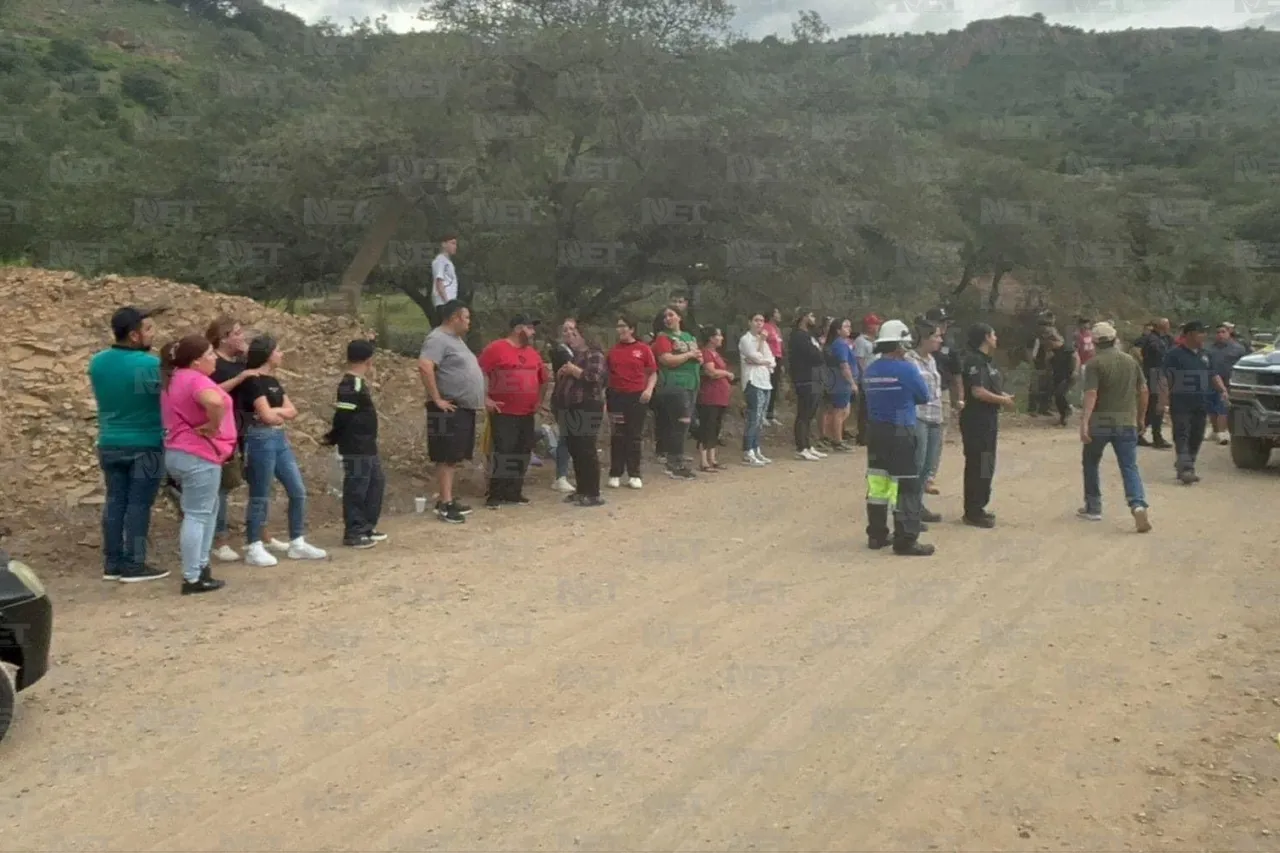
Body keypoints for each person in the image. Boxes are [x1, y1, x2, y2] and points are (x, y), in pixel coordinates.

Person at [87, 306, 168, 583]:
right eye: (148, 329)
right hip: (145, 442)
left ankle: (112, 563)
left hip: (109, 441)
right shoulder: (151, 365)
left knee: (115, 502)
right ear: (134, 336)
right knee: (139, 505)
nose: (153, 334)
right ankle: (135, 564)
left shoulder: (97, 362)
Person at [239, 336, 328, 565]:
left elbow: (292, 410)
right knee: (260, 493)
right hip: (260, 438)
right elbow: (265, 416)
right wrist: (275, 413)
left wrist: (274, 410)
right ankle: (253, 545)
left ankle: (297, 541)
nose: (282, 354)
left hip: (279, 437)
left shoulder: (274, 381)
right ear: (268, 354)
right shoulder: (253, 380)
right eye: (278, 350)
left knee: (297, 490)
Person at [159, 335, 235, 594]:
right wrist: (214, 426)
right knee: (197, 514)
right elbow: (213, 402)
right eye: (210, 354)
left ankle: (201, 568)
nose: (214, 358)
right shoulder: (196, 379)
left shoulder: (175, 378)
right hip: (198, 454)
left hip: (178, 451)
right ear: (195, 361)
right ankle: (193, 575)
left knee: (205, 510)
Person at [862, 320, 934, 557]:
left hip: (876, 432)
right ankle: (905, 539)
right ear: (899, 343)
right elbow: (923, 396)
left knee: (878, 484)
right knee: (907, 486)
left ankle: (877, 534)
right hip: (901, 431)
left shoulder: (871, 369)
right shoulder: (907, 369)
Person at [1077, 322, 1151, 533]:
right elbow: (1143, 391)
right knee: (1129, 466)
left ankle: (1094, 507)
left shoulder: (1094, 364)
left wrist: (1084, 423)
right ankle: (1137, 504)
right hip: (1126, 421)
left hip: (1100, 422)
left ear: (1095, 342)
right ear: (1115, 338)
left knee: (1091, 462)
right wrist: (1141, 417)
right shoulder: (1130, 361)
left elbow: (1091, 394)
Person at [418, 300, 487, 524]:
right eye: (466, 317)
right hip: (449, 407)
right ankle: (445, 504)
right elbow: (425, 365)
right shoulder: (437, 338)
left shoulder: (455, 340)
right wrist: (436, 398)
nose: (469, 322)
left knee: (454, 455)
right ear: (455, 317)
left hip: (462, 407)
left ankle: (448, 498)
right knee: (446, 455)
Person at [205, 315, 265, 563]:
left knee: (244, 481)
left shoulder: (241, 361)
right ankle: (219, 539)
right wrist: (241, 378)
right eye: (237, 333)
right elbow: (211, 392)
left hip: (242, 429)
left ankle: (262, 534)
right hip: (221, 431)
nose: (242, 337)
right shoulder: (212, 363)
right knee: (221, 486)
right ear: (224, 337)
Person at [479, 314, 550, 507]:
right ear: (518, 329)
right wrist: (485, 398)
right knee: (503, 451)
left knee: (522, 451)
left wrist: (539, 401)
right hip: (504, 411)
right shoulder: (496, 348)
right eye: (530, 328)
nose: (533, 332)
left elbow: (544, 378)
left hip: (527, 412)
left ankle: (514, 492)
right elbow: (478, 372)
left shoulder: (533, 353)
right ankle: (496, 493)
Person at [323, 340, 386, 549]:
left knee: (375, 482)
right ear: (369, 361)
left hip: (368, 444)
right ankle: (354, 530)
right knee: (357, 486)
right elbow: (343, 414)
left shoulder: (359, 383)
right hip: (356, 445)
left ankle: (367, 526)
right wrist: (334, 436)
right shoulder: (351, 384)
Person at [959, 323, 1017, 528]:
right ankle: (973, 510)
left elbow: (989, 388)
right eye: (993, 334)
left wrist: (1002, 396)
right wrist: (1003, 401)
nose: (996, 337)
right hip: (976, 419)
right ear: (985, 337)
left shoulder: (987, 362)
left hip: (988, 418)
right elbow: (977, 391)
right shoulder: (973, 360)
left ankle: (980, 506)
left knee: (987, 462)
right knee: (978, 462)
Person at [1159, 320, 1224, 485]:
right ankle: (1185, 469)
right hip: (1181, 402)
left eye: (1204, 332)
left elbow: (1213, 375)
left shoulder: (1205, 354)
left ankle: (1187, 464)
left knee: (1197, 435)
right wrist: (1163, 399)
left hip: (1201, 402)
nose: (1204, 335)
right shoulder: (1174, 354)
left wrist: (1223, 391)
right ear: (1189, 335)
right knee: (1181, 434)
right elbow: (1165, 378)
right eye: (1200, 332)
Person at [552, 323, 609, 507]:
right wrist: (562, 373)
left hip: (588, 406)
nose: (570, 336)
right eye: (567, 332)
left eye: (575, 333)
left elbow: (596, 378)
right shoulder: (572, 356)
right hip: (570, 407)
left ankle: (593, 493)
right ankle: (581, 489)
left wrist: (574, 371)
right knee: (575, 448)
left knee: (586, 448)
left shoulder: (594, 354)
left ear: (584, 336)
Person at [605, 314, 657, 489]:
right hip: (617, 397)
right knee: (618, 434)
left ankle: (634, 473)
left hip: (637, 397)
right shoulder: (613, 351)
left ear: (632, 329)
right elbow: (607, 375)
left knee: (634, 435)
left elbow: (653, 372)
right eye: (618, 326)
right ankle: (615, 472)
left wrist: (648, 390)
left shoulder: (643, 349)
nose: (620, 329)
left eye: (624, 326)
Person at [651, 306, 701, 480]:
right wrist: (689, 355)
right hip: (674, 384)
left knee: (686, 424)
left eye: (671, 315)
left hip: (691, 383)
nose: (668, 319)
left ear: (679, 317)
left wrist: (696, 357)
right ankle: (674, 462)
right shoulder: (663, 338)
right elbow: (667, 359)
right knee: (680, 421)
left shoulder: (688, 337)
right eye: (665, 316)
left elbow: (698, 356)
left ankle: (677, 458)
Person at [920, 306, 963, 494]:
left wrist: (959, 396)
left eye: (946, 322)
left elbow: (956, 373)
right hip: (920, 393)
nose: (944, 326)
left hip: (942, 392)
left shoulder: (949, 345)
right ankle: (918, 475)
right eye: (941, 322)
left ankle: (929, 476)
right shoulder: (917, 347)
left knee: (938, 435)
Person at [906, 321, 945, 524]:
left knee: (928, 466)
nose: (940, 340)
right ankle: (909, 509)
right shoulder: (909, 360)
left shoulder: (931, 360)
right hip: (918, 416)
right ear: (925, 338)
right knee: (916, 464)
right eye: (936, 336)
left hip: (934, 416)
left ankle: (918, 505)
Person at [694, 326, 734, 472]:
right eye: (718, 335)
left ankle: (712, 458)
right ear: (711, 338)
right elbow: (711, 372)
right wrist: (726, 373)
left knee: (715, 427)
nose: (721, 338)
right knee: (707, 427)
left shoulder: (716, 354)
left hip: (720, 396)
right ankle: (704, 461)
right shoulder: (706, 353)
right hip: (709, 396)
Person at [738, 312, 775, 467]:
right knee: (754, 417)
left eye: (762, 321)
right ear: (750, 322)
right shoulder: (746, 340)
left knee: (760, 419)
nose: (760, 323)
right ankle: (748, 451)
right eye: (756, 320)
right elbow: (755, 356)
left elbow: (772, 361)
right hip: (753, 381)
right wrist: (760, 356)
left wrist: (763, 362)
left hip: (765, 380)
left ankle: (756, 447)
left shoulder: (764, 342)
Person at [789, 311, 827, 461]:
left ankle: (808, 444)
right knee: (803, 414)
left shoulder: (810, 336)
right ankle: (801, 447)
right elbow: (815, 355)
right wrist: (819, 350)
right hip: (805, 378)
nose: (814, 319)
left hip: (815, 378)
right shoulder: (799, 336)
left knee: (810, 415)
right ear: (803, 317)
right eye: (811, 316)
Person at [548, 319, 578, 494]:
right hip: (562, 399)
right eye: (565, 329)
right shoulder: (559, 350)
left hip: (578, 399)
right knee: (565, 437)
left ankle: (565, 472)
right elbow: (570, 368)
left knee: (574, 436)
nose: (569, 332)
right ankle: (560, 476)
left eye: (572, 329)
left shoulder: (580, 350)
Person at [820, 317, 857, 452]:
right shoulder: (840, 344)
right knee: (839, 411)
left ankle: (833, 436)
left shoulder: (836, 343)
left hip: (834, 380)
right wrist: (851, 382)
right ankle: (837, 440)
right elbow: (844, 365)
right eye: (846, 326)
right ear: (838, 330)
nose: (849, 329)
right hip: (840, 381)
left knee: (842, 410)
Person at [1207, 323, 1247, 445]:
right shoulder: (1210, 349)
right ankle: (1215, 431)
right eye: (1218, 332)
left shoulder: (1238, 348)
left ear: (1229, 333)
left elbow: (1243, 365)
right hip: (1211, 381)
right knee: (1212, 408)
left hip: (1228, 382)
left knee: (1223, 407)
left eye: (1223, 332)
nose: (1220, 335)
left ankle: (1223, 432)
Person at [1137, 317, 1174, 448]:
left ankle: (1140, 433)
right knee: (1156, 405)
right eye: (1167, 325)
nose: (1169, 327)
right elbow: (1159, 356)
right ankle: (1154, 436)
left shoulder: (1164, 339)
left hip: (1157, 373)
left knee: (1154, 406)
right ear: (1161, 327)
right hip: (1155, 374)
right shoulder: (1153, 340)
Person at [852, 313, 882, 445]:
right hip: (868, 378)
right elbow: (860, 360)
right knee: (866, 408)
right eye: (875, 324)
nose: (878, 327)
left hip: (878, 377)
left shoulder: (876, 340)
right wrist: (866, 375)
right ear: (869, 326)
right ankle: (863, 436)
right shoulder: (861, 341)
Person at [1025, 311, 1057, 416]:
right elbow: (1032, 349)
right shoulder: (1038, 333)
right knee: (1036, 385)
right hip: (1039, 361)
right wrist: (1032, 361)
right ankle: (1033, 409)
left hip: (1048, 361)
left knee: (1046, 385)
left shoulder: (1051, 332)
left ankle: (1043, 408)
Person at [1047, 331, 1080, 426]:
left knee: (1060, 394)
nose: (1050, 345)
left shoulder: (1067, 348)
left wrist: (1076, 370)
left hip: (1068, 375)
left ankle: (1068, 410)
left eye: (1051, 343)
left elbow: (1076, 357)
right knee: (1057, 397)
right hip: (1058, 376)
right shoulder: (1053, 351)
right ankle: (1063, 416)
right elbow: (1050, 364)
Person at [762, 307, 785, 426]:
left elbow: (780, 345)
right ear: (772, 315)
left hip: (777, 358)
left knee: (774, 386)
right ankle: (763, 413)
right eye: (777, 312)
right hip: (769, 359)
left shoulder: (777, 329)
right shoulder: (765, 327)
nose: (779, 315)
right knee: (767, 385)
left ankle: (770, 413)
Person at [431, 232, 459, 327]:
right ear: (444, 244)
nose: (455, 246)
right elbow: (439, 282)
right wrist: (447, 303)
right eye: (452, 243)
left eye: (455, 244)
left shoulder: (449, 262)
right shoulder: (440, 261)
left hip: (451, 302)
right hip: (444, 303)